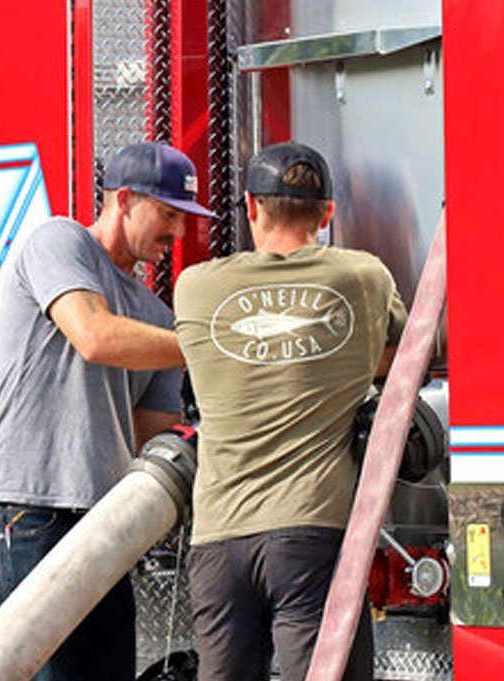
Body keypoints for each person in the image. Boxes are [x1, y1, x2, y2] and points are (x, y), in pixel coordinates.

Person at [0, 142, 214, 681]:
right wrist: (206, 345)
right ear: (123, 200)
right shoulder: (59, 241)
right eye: (168, 214)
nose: (177, 232)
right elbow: (94, 336)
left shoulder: (160, 321)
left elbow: (144, 444)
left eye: (185, 219)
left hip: (104, 524)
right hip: (26, 512)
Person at [173, 142, 406, 681]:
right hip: (312, 533)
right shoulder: (363, 278)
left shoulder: (197, 286)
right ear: (328, 214)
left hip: (219, 540)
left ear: (251, 206)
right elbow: (405, 350)